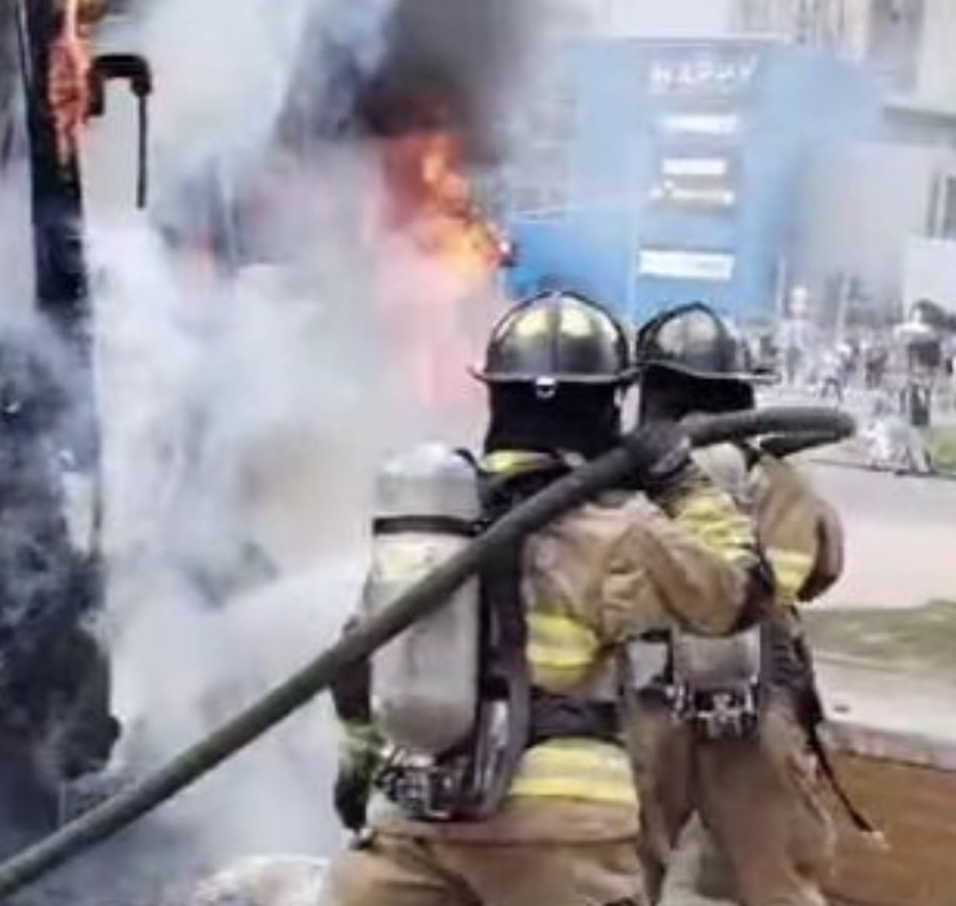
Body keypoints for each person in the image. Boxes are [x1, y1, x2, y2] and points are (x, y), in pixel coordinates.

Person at [323, 291, 770, 906]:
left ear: (496, 396)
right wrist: (679, 478)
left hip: (415, 816)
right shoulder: (621, 529)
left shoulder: (433, 525)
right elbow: (739, 593)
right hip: (562, 832)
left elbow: (356, 661)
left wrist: (358, 770)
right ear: (608, 403)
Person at [626, 302, 858, 906]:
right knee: (777, 882)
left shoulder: (625, 480)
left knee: (623, 879)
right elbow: (819, 571)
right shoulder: (780, 483)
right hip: (759, 709)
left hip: (647, 706)